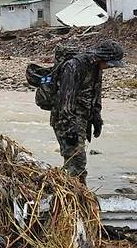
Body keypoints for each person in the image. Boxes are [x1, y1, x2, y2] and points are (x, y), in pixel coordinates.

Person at [53, 39, 125, 182]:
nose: (110, 67)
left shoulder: (96, 68)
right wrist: (70, 129)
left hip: (82, 120)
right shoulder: (74, 66)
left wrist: (97, 117)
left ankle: (73, 192)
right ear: (101, 57)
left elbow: (95, 94)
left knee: (76, 161)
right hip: (66, 121)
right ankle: (71, 195)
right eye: (110, 63)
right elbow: (65, 101)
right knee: (76, 161)